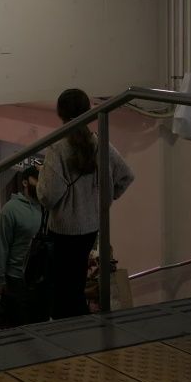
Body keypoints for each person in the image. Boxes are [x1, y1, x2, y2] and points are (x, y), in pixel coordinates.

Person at [38, 88, 135, 318]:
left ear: (60, 113)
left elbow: (48, 195)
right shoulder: (101, 144)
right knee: (78, 282)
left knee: (63, 289)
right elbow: (126, 176)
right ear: (89, 110)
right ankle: (82, 331)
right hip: (91, 227)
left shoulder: (57, 147)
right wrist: (105, 199)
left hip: (62, 230)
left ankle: (68, 334)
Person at [0, 165, 48, 325]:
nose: (41, 184)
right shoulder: (10, 209)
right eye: (37, 179)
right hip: (16, 278)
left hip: (41, 278)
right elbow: (2, 245)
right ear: (25, 182)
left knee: (40, 322)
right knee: (19, 324)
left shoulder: (48, 206)